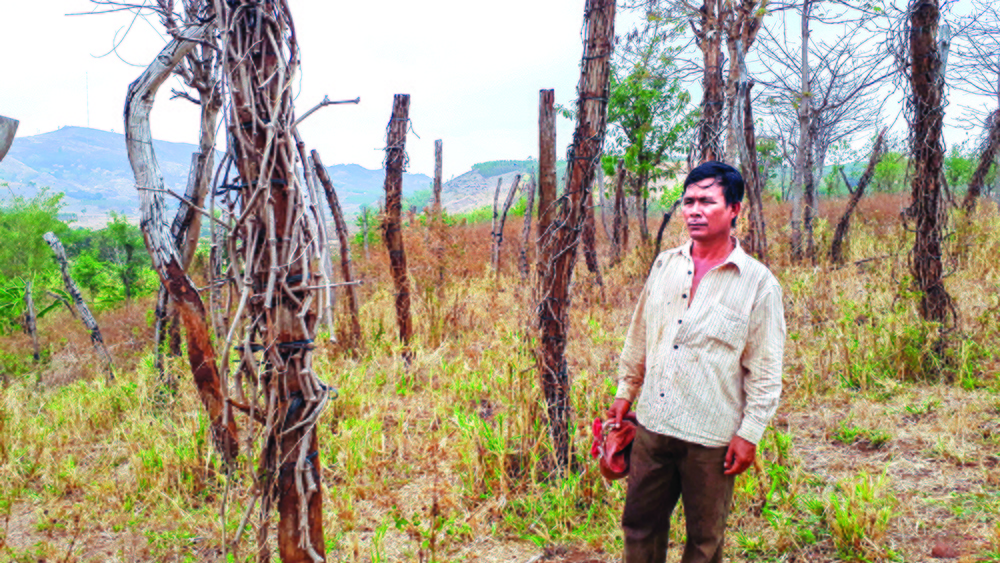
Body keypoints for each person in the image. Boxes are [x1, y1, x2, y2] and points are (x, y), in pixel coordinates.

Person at [606, 161, 786, 563]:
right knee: (639, 526)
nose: (694, 210)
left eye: (707, 200)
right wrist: (625, 391)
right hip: (653, 426)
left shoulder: (758, 284)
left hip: (711, 439)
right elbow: (640, 333)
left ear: (734, 209)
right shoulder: (665, 265)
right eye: (688, 201)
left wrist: (750, 433)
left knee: (704, 542)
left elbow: (766, 371)